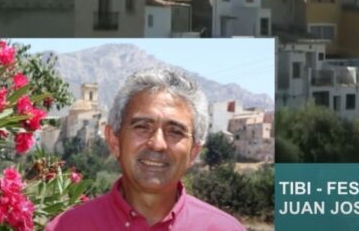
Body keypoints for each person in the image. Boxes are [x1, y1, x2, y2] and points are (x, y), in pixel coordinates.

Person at [46, 67, 244, 230]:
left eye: (175, 132)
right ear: (114, 141)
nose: (157, 144)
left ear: (193, 152)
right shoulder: (67, 227)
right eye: (142, 127)